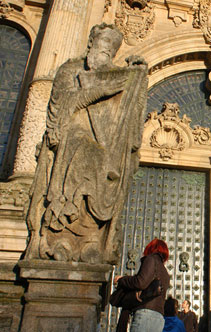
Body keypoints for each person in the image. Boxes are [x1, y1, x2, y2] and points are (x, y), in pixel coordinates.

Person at [25, 23, 148, 264]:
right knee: (88, 157)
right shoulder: (70, 69)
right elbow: (62, 107)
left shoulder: (117, 75)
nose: (106, 53)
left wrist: (138, 81)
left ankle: (91, 241)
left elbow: (131, 118)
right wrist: (101, 89)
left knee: (107, 171)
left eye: (110, 50)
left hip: (105, 147)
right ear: (91, 44)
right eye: (102, 46)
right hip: (73, 140)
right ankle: (60, 239)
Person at [114, 239, 170, 332]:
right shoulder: (165, 272)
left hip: (146, 313)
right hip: (159, 317)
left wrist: (122, 279)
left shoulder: (151, 259)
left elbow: (140, 282)